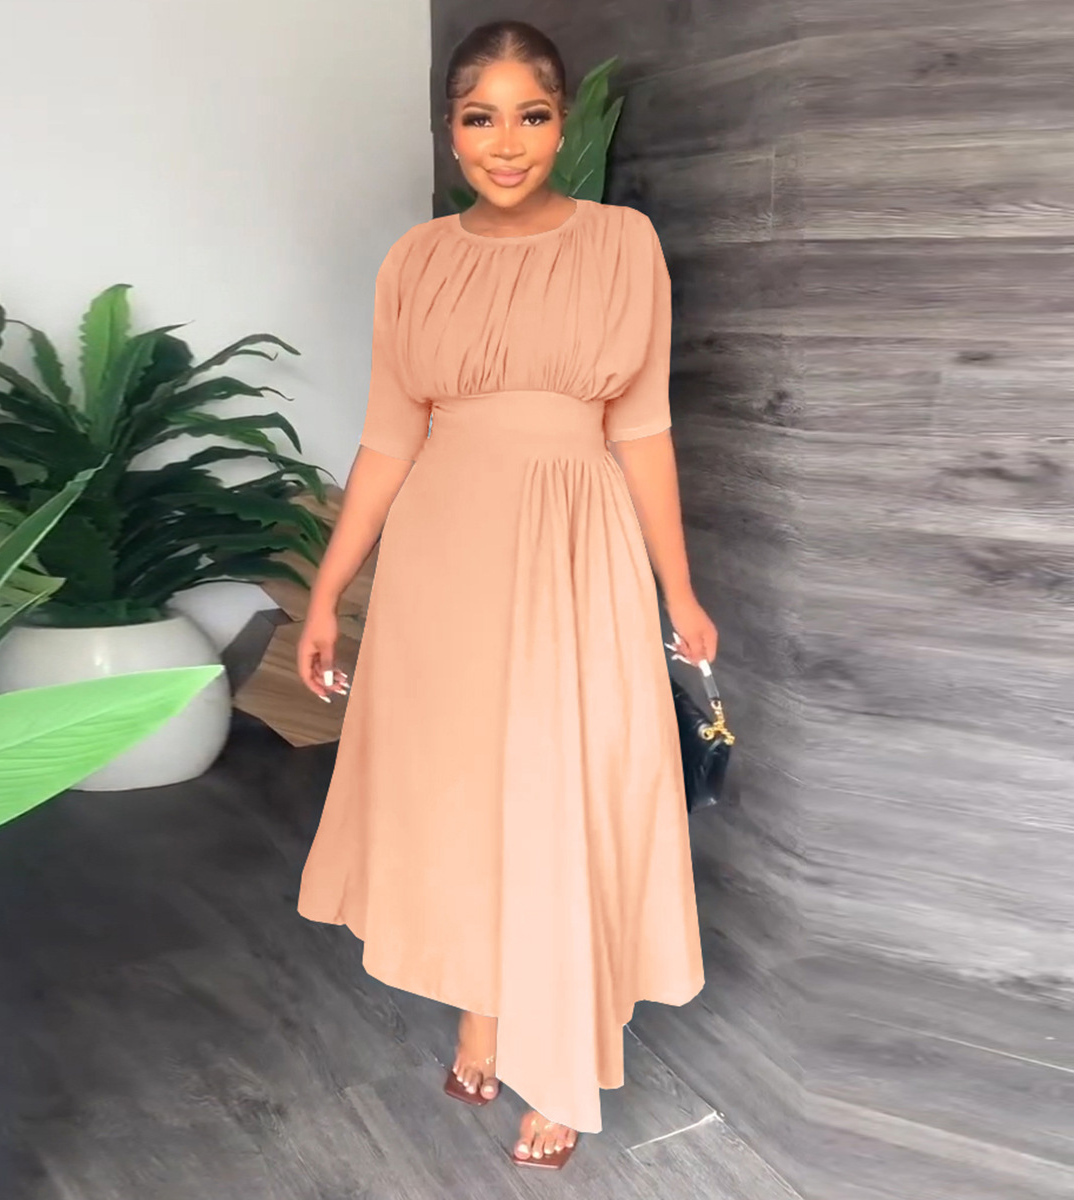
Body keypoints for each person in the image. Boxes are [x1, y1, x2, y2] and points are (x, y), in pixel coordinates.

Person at [295, 19, 715, 1171]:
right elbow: (388, 439)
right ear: (452, 131)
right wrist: (330, 591)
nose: (507, 141)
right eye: (481, 117)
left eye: (531, 115)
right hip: (444, 558)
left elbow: (642, 428)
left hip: (576, 546)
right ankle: (482, 1010)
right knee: (466, 790)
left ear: (562, 124)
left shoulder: (623, 244)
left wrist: (678, 587)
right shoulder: (414, 262)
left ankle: (561, 1060)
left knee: (563, 784)